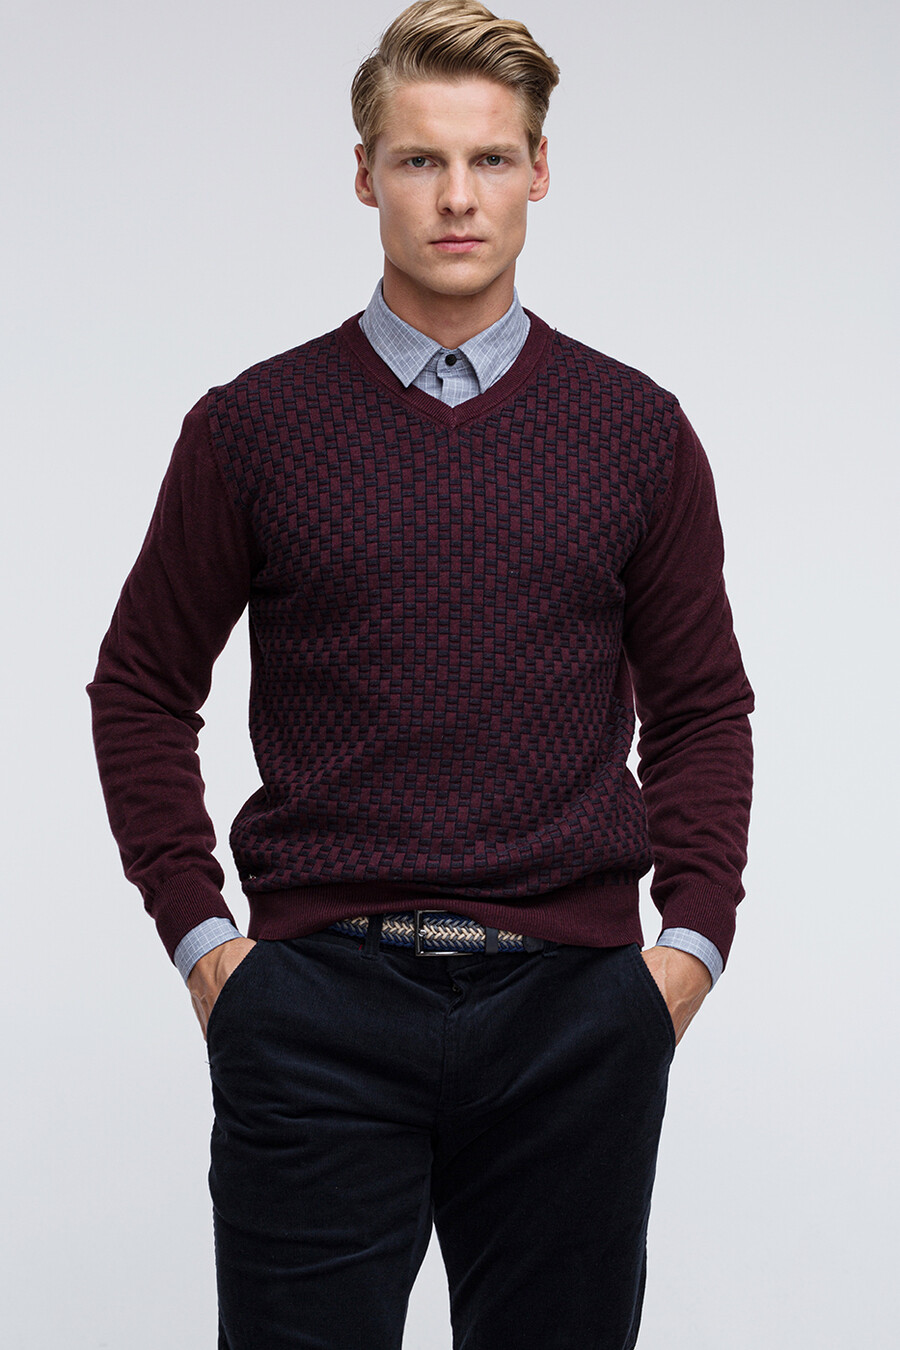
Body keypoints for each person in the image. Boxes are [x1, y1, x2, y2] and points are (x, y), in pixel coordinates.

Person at [88, 2, 753, 1345]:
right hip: (315, 1010)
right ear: (365, 174)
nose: (457, 197)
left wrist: (686, 949)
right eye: (420, 160)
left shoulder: (636, 431)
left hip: (573, 1013)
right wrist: (208, 948)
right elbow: (142, 686)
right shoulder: (252, 428)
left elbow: (700, 709)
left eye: (490, 158)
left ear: (539, 170)